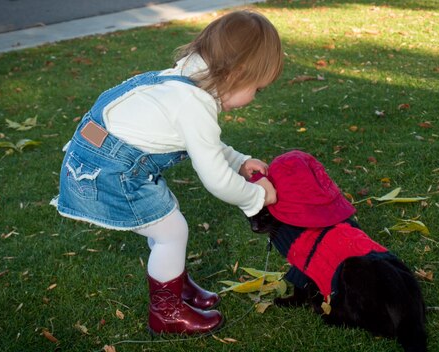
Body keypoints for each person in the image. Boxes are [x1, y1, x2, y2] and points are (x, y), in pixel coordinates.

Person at [51, 10, 283, 335]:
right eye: (257, 88)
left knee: (167, 222)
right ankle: (166, 313)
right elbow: (216, 178)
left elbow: (202, 143)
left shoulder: (186, 80)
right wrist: (256, 197)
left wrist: (240, 161)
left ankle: (175, 284)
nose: (255, 97)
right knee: (171, 232)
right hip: (108, 173)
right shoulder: (194, 103)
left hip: (95, 155)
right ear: (237, 74)